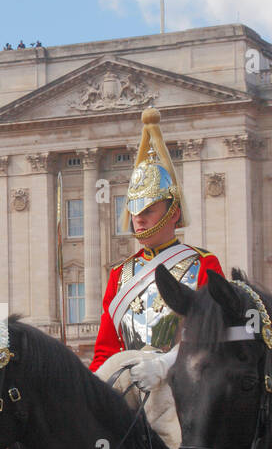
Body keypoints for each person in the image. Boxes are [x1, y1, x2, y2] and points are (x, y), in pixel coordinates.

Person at [91, 108, 223, 378]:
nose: (138, 219)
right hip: (130, 387)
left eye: (148, 210)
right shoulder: (120, 275)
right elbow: (105, 352)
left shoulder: (202, 264)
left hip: (186, 384)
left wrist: (166, 366)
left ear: (173, 213)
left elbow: (212, 335)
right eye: (135, 211)